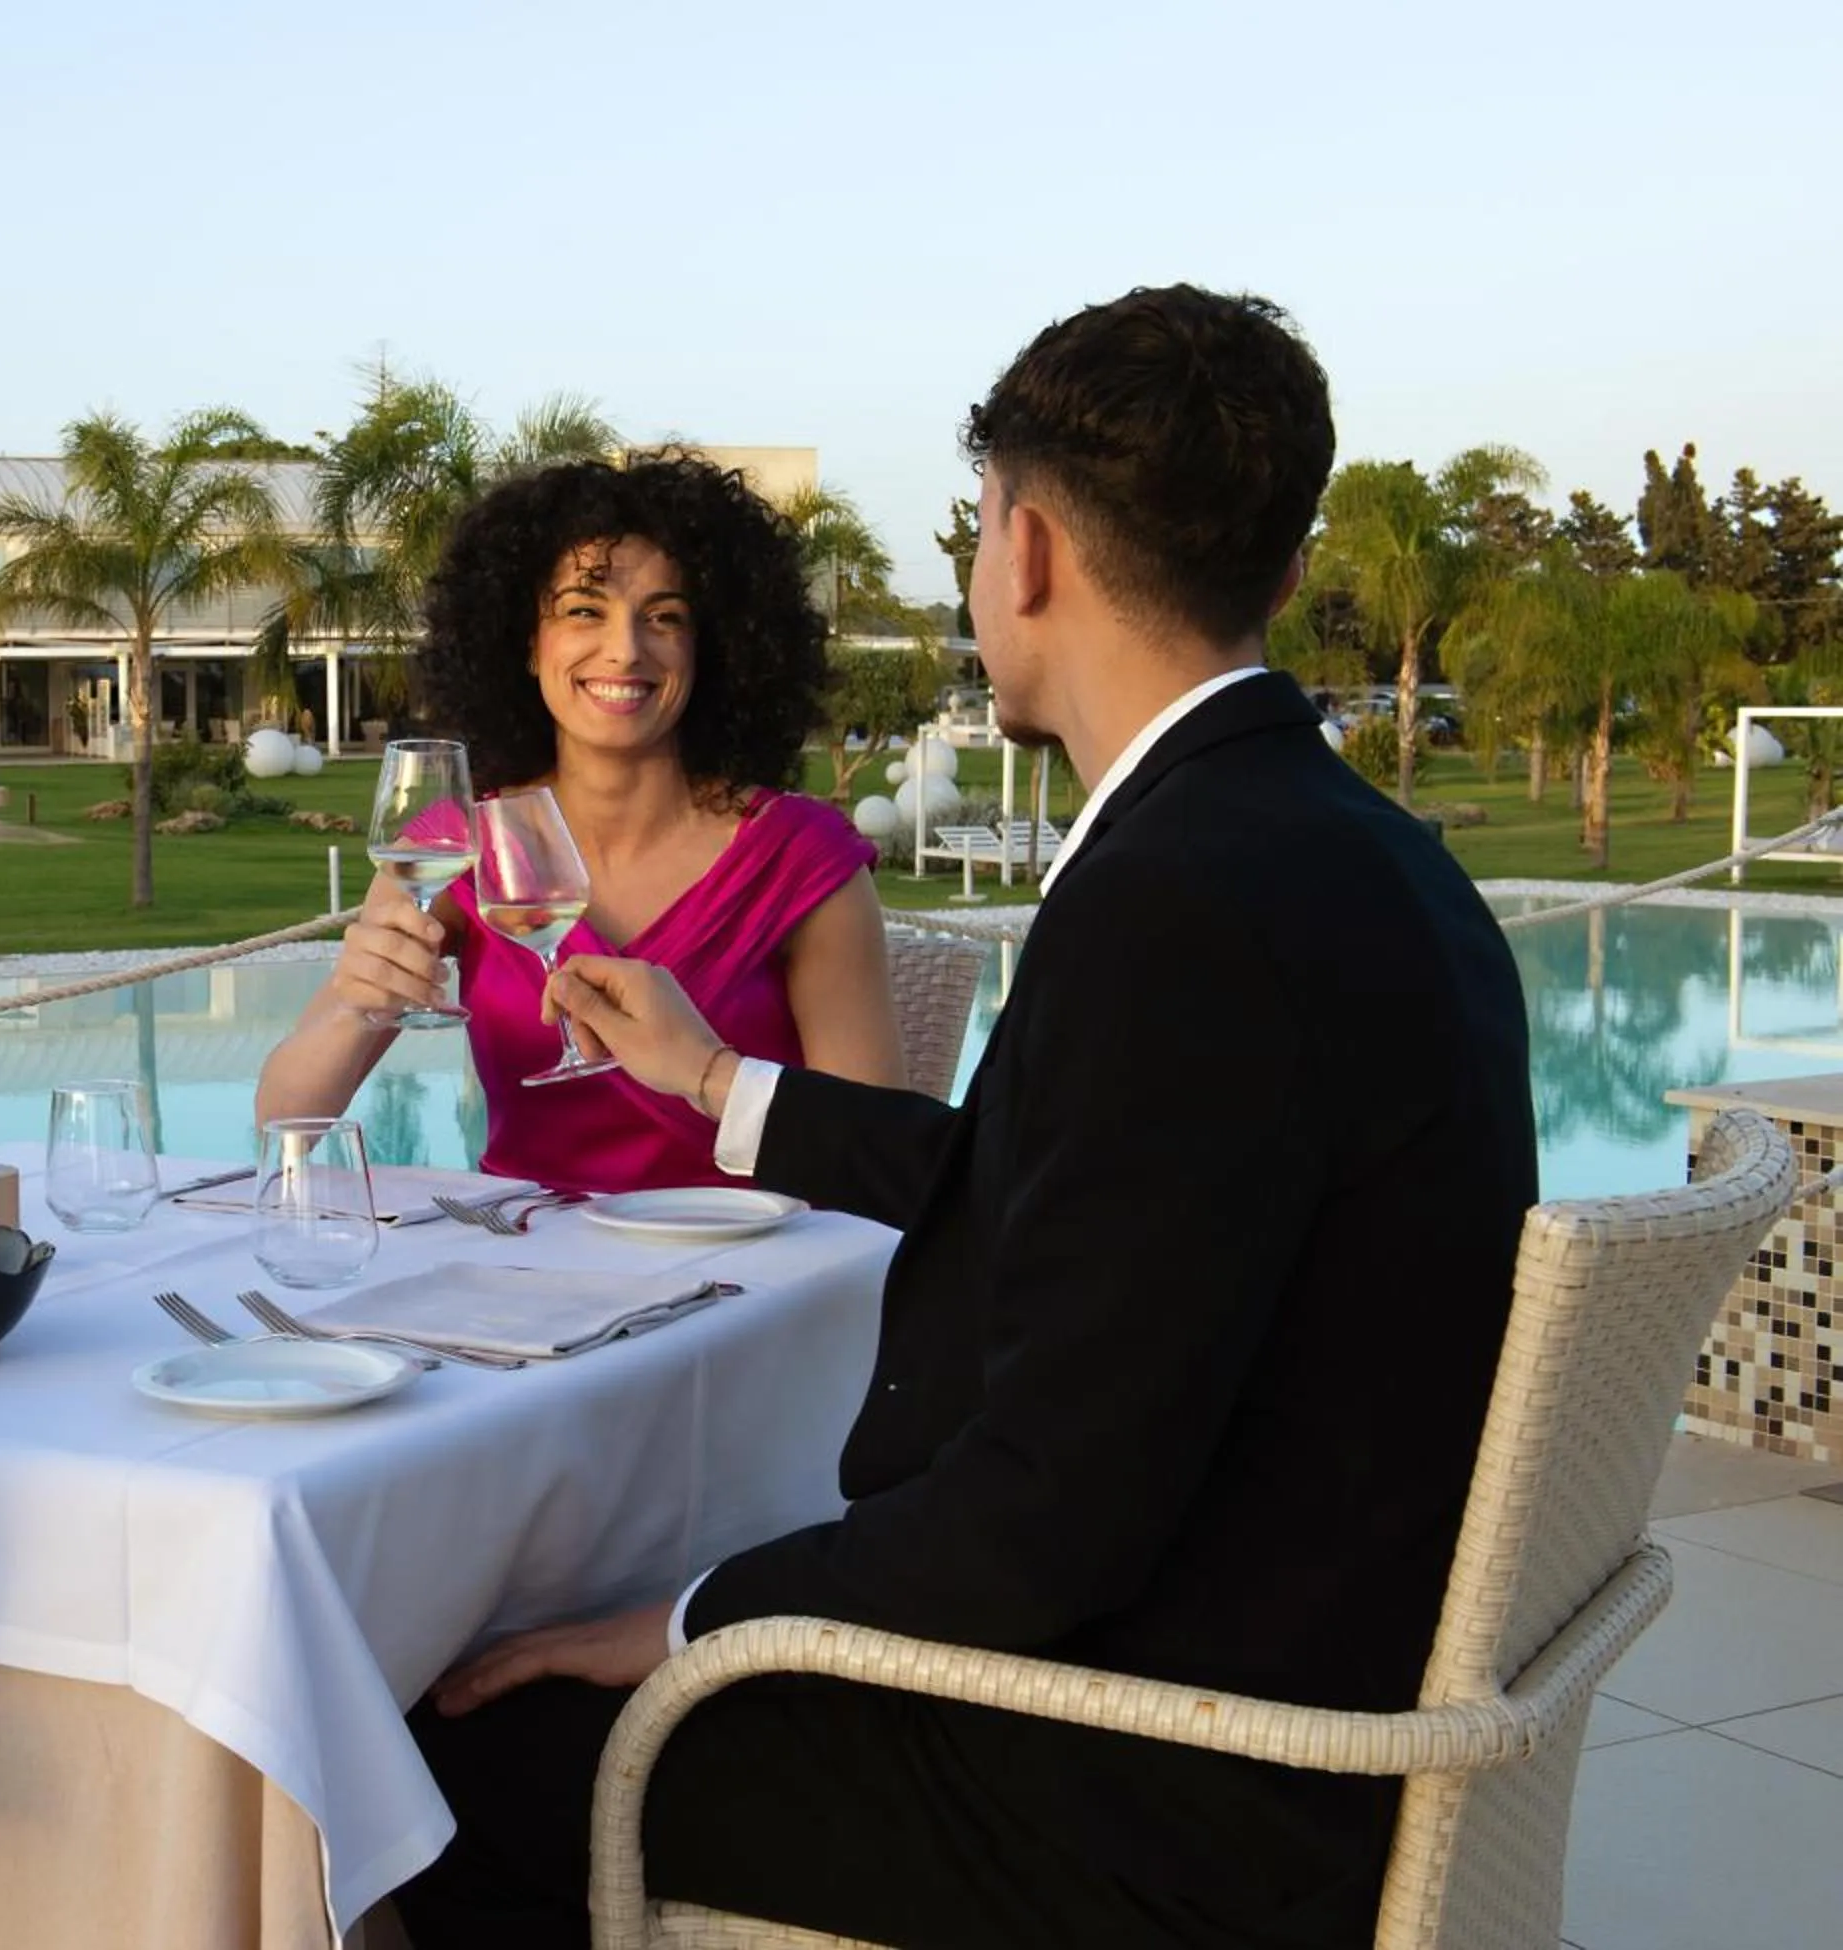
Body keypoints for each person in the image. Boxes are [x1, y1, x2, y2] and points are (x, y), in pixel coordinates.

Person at [390, 287, 1537, 1948]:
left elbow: (1037, 1526)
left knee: (446, 1747)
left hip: (1164, 1777)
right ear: (1286, 575)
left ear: (1029, 550)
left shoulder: (1181, 906)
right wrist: (722, 1087)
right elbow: (1083, 1197)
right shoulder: (1359, 856)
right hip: (1282, 1666)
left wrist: (689, 1618)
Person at [253, 454, 903, 1193]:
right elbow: (282, 1123)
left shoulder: (800, 860)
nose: (626, 649)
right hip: (526, 1273)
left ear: (710, 646)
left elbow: (875, 1157)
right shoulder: (454, 845)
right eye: (583, 611)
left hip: (750, 1278)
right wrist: (355, 1007)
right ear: (527, 642)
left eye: (665, 616)